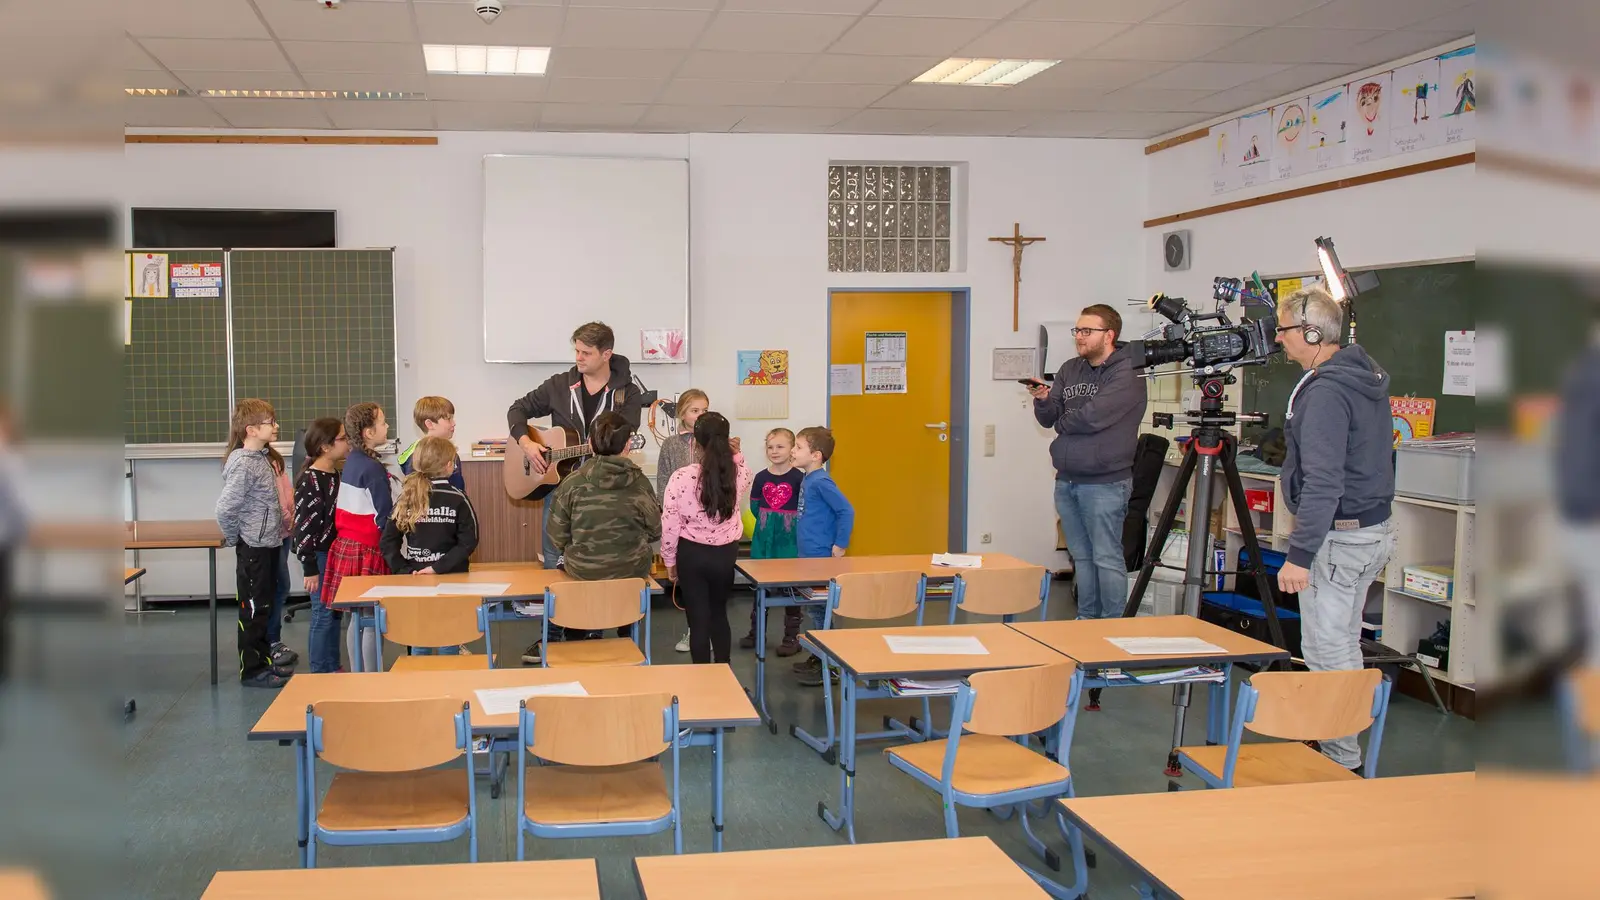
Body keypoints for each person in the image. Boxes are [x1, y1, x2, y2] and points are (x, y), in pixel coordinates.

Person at [1274, 285, 1397, 774]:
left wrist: (1300, 555)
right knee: (1343, 644)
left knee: (1326, 652)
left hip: (1339, 538)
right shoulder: (1361, 375)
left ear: (1310, 332)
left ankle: (1341, 763)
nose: (1278, 340)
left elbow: (1325, 480)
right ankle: (1342, 752)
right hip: (1370, 532)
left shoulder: (1324, 391)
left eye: (1284, 330)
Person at [507, 322, 645, 664]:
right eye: (577, 351)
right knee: (555, 563)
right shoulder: (559, 384)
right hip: (561, 490)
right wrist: (527, 444)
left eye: (586, 353)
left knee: (595, 564)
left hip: (604, 495)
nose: (579, 358)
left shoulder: (628, 394)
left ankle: (591, 629)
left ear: (606, 354)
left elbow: (624, 437)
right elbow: (518, 410)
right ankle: (552, 636)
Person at [1029, 303, 1148, 620]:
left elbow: (1095, 417)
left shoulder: (1128, 373)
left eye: (1086, 331)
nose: (1079, 337)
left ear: (1109, 335)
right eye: (1077, 331)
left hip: (1105, 483)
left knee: (1106, 557)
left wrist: (1063, 421)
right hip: (1067, 479)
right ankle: (1086, 622)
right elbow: (1049, 417)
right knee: (1081, 556)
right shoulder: (1070, 369)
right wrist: (1042, 401)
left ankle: (1111, 627)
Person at [531, 411, 661, 664]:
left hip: (583, 575)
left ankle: (580, 638)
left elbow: (556, 538)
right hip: (630, 578)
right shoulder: (641, 484)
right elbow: (656, 530)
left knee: (567, 577)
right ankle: (627, 637)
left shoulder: (571, 484)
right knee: (631, 591)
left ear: (590, 444)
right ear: (627, 446)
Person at [661, 412, 751, 665]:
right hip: (725, 555)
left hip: (692, 555)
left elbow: (670, 523)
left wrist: (669, 560)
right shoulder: (738, 474)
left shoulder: (680, 477)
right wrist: (736, 454)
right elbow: (743, 467)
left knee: (697, 619)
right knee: (719, 614)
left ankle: (702, 680)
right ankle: (724, 673)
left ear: (695, 443)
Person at [216, 399, 290, 689]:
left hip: (268, 545)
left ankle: (264, 662)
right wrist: (237, 537)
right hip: (254, 549)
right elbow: (224, 509)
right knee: (253, 610)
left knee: (264, 607)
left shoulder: (261, 458)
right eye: (270, 422)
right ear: (251, 429)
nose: (276, 426)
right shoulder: (245, 464)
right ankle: (252, 671)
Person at [382, 436, 480, 655]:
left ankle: (421, 684)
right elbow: (469, 541)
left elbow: (388, 541)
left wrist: (404, 570)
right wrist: (439, 567)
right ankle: (447, 683)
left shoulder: (407, 498)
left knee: (420, 637)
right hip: (452, 578)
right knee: (449, 636)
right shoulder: (458, 498)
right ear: (449, 466)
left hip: (416, 579)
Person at [321, 402, 393, 672]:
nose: (387, 426)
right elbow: (384, 516)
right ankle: (372, 678)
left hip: (348, 548)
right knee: (372, 618)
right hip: (367, 550)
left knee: (357, 618)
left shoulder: (353, 460)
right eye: (383, 422)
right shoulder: (372, 468)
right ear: (368, 432)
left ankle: (358, 673)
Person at [790, 426, 854, 687]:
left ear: (816, 455)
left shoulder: (821, 481)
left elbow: (846, 511)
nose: (793, 451)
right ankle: (818, 658)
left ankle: (832, 665)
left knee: (821, 613)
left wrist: (840, 544)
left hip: (820, 556)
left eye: (798, 447)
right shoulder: (808, 478)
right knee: (813, 609)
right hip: (808, 555)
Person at [742, 427, 805, 654]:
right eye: (770, 447)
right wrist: (770, 523)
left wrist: (785, 524)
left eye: (780, 446)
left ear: (791, 449)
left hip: (789, 542)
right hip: (764, 540)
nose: (774, 451)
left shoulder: (800, 478)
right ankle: (756, 632)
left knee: (791, 588)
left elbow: (803, 508)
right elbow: (755, 507)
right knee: (761, 588)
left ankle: (792, 637)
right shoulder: (761, 477)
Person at [657, 388, 709, 654]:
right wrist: (665, 511)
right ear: (682, 414)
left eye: (704, 410)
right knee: (688, 582)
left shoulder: (712, 442)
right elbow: (664, 480)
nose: (700, 415)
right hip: (681, 524)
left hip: (710, 525)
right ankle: (693, 630)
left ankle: (705, 630)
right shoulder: (670, 444)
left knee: (708, 582)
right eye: (694, 410)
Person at [294, 417, 346, 673]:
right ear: (325, 446)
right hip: (319, 555)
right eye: (342, 438)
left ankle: (332, 665)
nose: (347, 443)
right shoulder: (311, 480)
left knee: (334, 613)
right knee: (322, 614)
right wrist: (309, 567)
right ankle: (319, 670)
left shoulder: (335, 475)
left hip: (334, 553)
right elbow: (303, 527)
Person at [266, 448, 299, 670]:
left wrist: (293, 516)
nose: (276, 427)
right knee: (275, 586)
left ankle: (273, 640)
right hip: (272, 534)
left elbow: (287, 491)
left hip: (284, 531)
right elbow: (274, 500)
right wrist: (289, 520)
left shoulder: (273, 458)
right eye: (270, 423)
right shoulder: (251, 461)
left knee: (281, 586)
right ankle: (270, 642)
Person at [399, 395, 465, 492]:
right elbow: (414, 493)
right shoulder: (416, 455)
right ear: (429, 424)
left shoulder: (451, 453)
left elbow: (459, 488)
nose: (454, 423)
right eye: (449, 419)